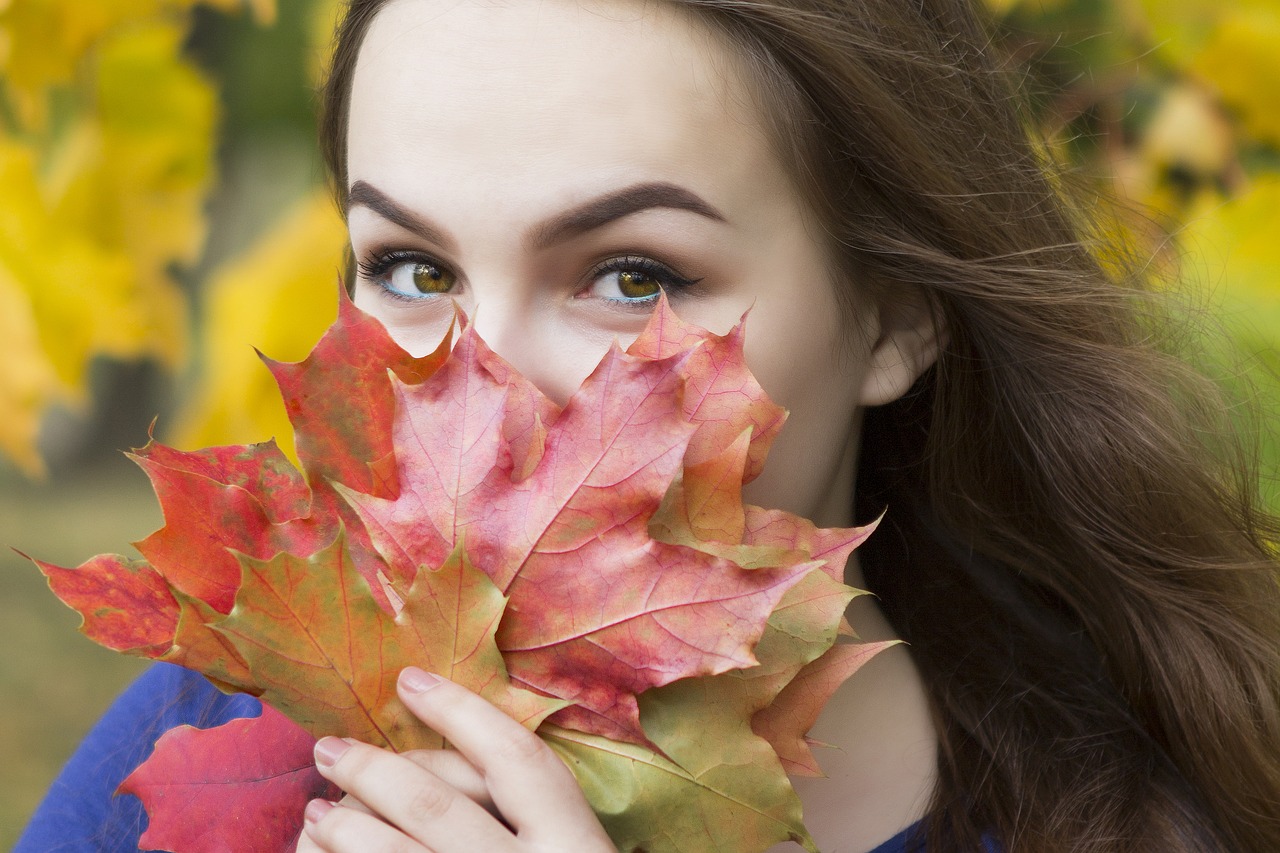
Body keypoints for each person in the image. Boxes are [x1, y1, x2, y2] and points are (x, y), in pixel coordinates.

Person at [17, 0, 1280, 850]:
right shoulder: (221, 723)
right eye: (411, 268)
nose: (484, 382)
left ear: (896, 316)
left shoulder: (1159, 808)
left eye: (631, 276)